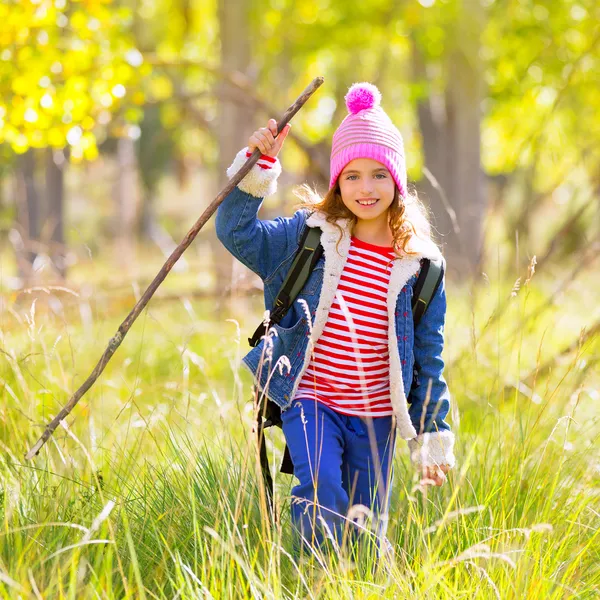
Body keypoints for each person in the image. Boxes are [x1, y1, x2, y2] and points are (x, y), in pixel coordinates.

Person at [215, 82, 456, 560]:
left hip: (377, 417)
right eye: (352, 176)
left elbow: (429, 359)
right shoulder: (309, 238)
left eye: (377, 176)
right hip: (312, 397)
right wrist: (257, 167)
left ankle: (364, 577)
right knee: (321, 485)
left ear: (397, 181)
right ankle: (311, 577)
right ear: (337, 182)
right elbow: (235, 231)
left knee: (365, 525)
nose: (365, 189)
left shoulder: (420, 266)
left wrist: (431, 437)